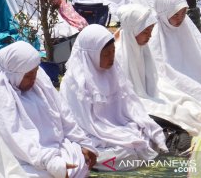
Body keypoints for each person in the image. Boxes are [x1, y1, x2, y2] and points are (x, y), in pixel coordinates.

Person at [60, 24, 167, 170]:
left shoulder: (113, 71)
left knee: (144, 138)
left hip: (118, 129)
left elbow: (130, 105)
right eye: (106, 54)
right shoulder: (74, 82)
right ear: (91, 54)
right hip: (94, 135)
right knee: (123, 153)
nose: (111, 57)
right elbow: (81, 124)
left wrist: (137, 126)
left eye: (113, 51)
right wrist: (110, 136)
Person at [0, 41, 98, 178]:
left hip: (55, 149)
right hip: (23, 158)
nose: (34, 79)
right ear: (13, 74)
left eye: (35, 72)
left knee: (79, 160)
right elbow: (16, 139)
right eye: (28, 75)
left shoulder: (39, 81)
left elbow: (64, 115)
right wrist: (50, 161)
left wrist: (83, 143)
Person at [115, 4, 201, 140]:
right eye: (145, 31)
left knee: (185, 101)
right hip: (133, 101)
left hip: (148, 93)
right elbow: (127, 96)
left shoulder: (142, 47)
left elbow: (153, 82)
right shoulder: (119, 54)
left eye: (151, 30)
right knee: (173, 112)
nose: (149, 35)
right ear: (133, 30)